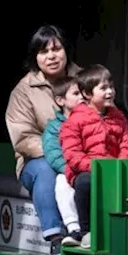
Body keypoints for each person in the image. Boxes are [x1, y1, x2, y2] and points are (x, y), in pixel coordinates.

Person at [5, 24, 80, 250]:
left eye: (56, 49)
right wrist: (60, 155)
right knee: (47, 169)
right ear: (35, 57)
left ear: (66, 50)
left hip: (81, 154)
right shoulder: (23, 90)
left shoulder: (85, 80)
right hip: (37, 160)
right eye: (43, 52)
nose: (51, 56)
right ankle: (55, 237)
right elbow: (23, 138)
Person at [59, 65, 128, 249]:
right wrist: (98, 168)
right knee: (85, 183)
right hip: (87, 170)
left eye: (111, 87)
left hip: (114, 168)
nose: (109, 92)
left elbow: (127, 144)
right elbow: (73, 154)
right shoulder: (75, 120)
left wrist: (121, 165)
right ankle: (86, 231)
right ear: (87, 94)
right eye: (103, 88)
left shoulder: (119, 117)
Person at [42, 77, 86, 245]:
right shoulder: (54, 127)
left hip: (89, 169)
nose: (81, 97)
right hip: (71, 171)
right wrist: (71, 170)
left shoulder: (93, 120)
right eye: (76, 93)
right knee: (62, 182)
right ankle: (74, 227)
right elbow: (53, 153)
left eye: (83, 93)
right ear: (60, 100)